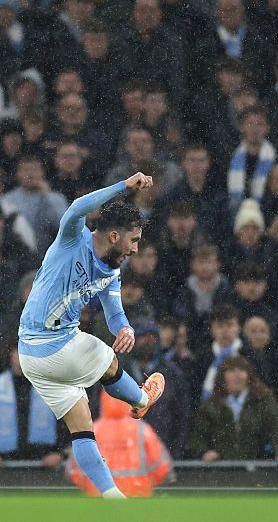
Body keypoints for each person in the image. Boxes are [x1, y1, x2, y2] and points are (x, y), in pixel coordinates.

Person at [16, 172, 165, 499]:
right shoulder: (73, 238)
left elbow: (114, 312)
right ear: (114, 235)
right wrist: (124, 186)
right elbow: (78, 207)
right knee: (106, 358)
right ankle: (140, 399)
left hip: (32, 357)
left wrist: (125, 327)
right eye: (134, 240)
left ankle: (113, 499)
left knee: (82, 430)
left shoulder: (112, 270)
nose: (136, 249)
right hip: (49, 344)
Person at [67, 391, 172, 497]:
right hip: (137, 498)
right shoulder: (142, 429)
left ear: (102, 402)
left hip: (100, 498)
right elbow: (162, 468)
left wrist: (92, 486)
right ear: (129, 402)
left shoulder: (91, 430)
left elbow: (75, 471)